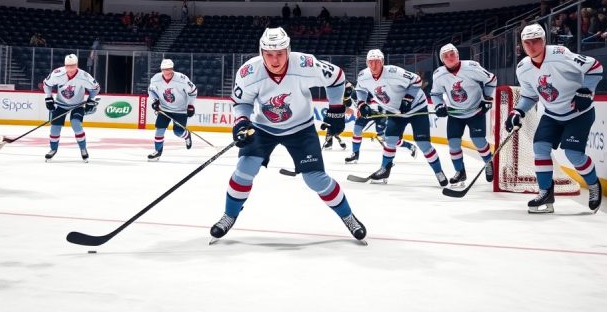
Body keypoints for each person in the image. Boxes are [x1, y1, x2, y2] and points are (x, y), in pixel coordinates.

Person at [209, 27, 366, 242]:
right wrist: (241, 122)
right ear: (261, 52)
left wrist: (337, 110)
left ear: (288, 51)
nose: (275, 60)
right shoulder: (248, 72)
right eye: (269, 54)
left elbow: (337, 76)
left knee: (315, 180)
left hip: (301, 128)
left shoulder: (304, 64)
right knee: (244, 170)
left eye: (280, 53)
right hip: (263, 128)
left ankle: (348, 216)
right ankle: (229, 215)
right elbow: (242, 102)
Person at [505, 24, 603, 213]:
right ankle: (545, 193)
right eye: (527, 42)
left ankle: (593, 185)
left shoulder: (560, 54)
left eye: (536, 41)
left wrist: (587, 91)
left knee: (573, 155)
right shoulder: (523, 68)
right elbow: (529, 96)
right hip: (552, 114)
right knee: (540, 148)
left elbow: (595, 66)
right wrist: (517, 111)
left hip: (579, 114)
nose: (531, 46)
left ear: (544, 41)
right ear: (522, 44)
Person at [354, 49, 448, 186]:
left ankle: (439, 172)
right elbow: (360, 89)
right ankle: (385, 169)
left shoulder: (394, 72)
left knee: (423, 143)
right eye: (371, 62)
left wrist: (407, 99)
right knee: (390, 140)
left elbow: (417, 80)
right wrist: (362, 104)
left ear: (382, 62)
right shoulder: (363, 75)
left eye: (377, 62)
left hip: (417, 108)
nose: (374, 65)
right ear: (367, 63)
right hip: (395, 112)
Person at [431, 43, 498, 188]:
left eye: (452, 54)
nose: (450, 57)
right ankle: (460, 172)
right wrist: (439, 105)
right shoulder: (438, 74)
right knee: (453, 144)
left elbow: (492, 79)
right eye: (446, 56)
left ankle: (488, 163)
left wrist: (487, 99)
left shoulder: (471, 67)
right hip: (455, 114)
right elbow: (435, 94)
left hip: (476, 111)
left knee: (479, 141)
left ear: (458, 55)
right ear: (442, 60)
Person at [42, 54, 100, 162]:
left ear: (76, 65)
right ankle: (53, 149)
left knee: (76, 124)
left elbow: (96, 88)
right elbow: (46, 84)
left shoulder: (84, 76)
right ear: (65, 65)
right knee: (55, 127)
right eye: (68, 66)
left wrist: (91, 100)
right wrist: (48, 97)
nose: (70, 69)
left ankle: (83, 149)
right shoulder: (57, 74)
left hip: (77, 105)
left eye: (73, 66)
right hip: (61, 104)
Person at [147, 58, 197, 161]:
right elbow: (151, 91)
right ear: (162, 69)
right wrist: (155, 101)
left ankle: (186, 135)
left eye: (170, 69)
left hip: (180, 110)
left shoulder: (182, 79)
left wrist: (190, 105)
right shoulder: (155, 79)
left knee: (178, 132)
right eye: (165, 69)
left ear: (173, 68)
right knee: (159, 130)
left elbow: (193, 91)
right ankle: (157, 152)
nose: (168, 71)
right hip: (164, 109)